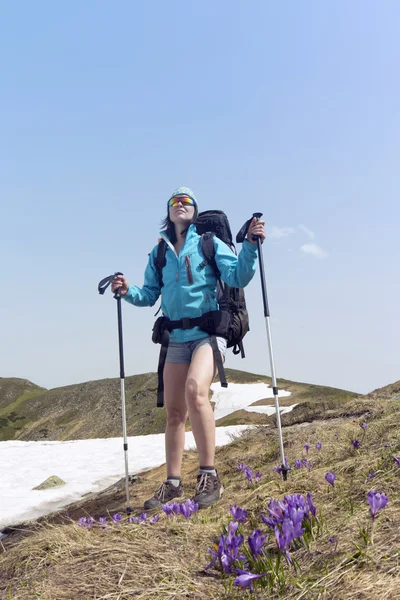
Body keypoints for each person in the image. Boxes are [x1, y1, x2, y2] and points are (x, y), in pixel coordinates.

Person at [112, 186, 266, 509]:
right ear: (168, 211)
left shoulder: (208, 244)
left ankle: (210, 476)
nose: (180, 204)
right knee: (173, 413)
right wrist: (127, 291)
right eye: (174, 201)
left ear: (194, 211)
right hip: (176, 339)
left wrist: (250, 245)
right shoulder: (160, 253)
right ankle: (172, 484)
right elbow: (148, 295)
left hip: (207, 336)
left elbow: (238, 276)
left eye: (187, 202)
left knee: (196, 391)